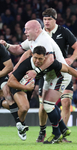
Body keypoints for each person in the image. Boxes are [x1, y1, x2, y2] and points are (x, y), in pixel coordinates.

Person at [0, 20, 71, 144]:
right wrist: (6, 45)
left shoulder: (44, 40)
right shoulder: (33, 40)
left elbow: (50, 59)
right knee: (46, 104)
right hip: (49, 76)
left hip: (59, 75)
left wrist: (35, 71)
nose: (25, 31)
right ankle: (63, 129)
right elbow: (17, 49)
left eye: (27, 29)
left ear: (37, 29)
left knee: (47, 105)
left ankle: (56, 134)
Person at [0, 46, 75, 143]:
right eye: (35, 58)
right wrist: (26, 88)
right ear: (32, 56)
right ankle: (21, 126)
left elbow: (68, 69)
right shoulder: (26, 64)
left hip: (28, 88)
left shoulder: (49, 64)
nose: (37, 61)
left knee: (18, 107)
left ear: (45, 58)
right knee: (25, 107)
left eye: (40, 59)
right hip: (16, 85)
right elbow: (10, 82)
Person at [36, 8, 77, 143]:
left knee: (66, 102)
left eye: (49, 19)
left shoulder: (63, 32)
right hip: (46, 74)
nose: (46, 22)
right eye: (45, 19)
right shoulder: (40, 34)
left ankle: (62, 136)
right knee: (43, 106)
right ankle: (42, 130)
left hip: (62, 71)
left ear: (55, 19)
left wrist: (71, 59)